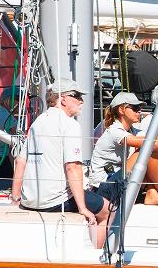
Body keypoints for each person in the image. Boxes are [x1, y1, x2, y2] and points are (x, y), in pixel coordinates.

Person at [10, 79, 113, 248]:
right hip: (56, 200)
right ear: (63, 99)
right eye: (77, 96)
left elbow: (21, 161)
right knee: (108, 211)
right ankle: (97, 256)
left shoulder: (38, 122)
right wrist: (82, 208)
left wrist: (16, 197)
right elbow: (73, 167)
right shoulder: (69, 125)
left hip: (30, 200)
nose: (82, 101)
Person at [89, 92, 158, 206]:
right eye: (135, 108)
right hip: (104, 188)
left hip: (119, 182)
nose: (139, 111)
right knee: (147, 149)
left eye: (140, 108)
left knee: (148, 147)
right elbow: (153, 144)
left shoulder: (133, 131)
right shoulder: (114, 131)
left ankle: (152, 192)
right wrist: (157, 143)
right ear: (121, 110)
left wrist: (156, 142)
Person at [0, 86, 19, 189]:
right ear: (9, 100)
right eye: (18, 99)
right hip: (2, 163)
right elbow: (16, 146)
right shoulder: (10, 119)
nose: (21, 104)